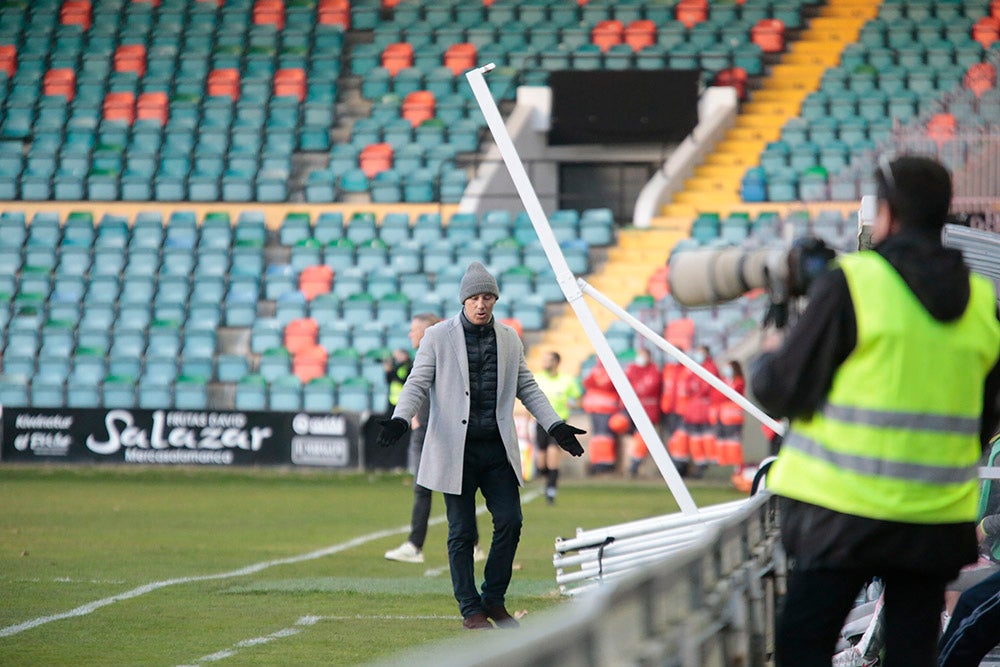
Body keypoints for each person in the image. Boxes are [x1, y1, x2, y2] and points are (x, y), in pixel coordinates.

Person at [750, 155, 1000, 666]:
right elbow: (985, 419)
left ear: (886, 214)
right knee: (911, 653)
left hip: (839, 513)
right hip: (932, 520)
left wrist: (768, 347)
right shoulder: (981, 301)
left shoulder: (855, 282)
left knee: (802, 646)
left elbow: (779, 389)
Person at [376, 262, 586, 630]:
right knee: (462, 531)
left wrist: (555, 426)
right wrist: (399, 417)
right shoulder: (438, 336)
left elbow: (528, 387)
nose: (481, 304)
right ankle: (470, 608)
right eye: (474, 297)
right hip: (454, 450)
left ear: (495, 300)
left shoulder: (509, 339)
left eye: (487, 296)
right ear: (463, 300)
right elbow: (417, 382)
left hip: (496, 450)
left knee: (510, 521)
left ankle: (493, 598)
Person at [383, 314, 485, 565]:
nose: (410, 335)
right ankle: (416, 546)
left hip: (442, 430)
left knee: (457, 489)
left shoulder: (442, 354)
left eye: (414, 329)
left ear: (427, 331)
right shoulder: (425, 356)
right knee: (422, 488)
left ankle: (469, 544)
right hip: (423, 429)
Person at [532, 350, 582, 505]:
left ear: (556, 362)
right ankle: (548, 482)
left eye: (548, 359)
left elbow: (578, 400)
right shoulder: (537, 378)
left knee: (553, 456)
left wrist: (572, 404)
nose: (544, 362)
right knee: (542, 462)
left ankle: (551, 492)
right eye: (544, 359)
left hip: (558, 423)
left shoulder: (567, 381)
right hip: (540, 423)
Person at [624, 348, 662, 477]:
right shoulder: (632, 369)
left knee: (643, 437)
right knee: (631, 434)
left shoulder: (654, 370)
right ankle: (632, 462)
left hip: (648, 410)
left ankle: (634, 464)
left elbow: (650, 387)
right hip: (631, 409)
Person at [581, 359, 621, 474]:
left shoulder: (611, 372)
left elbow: (606, 385)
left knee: (605, 436)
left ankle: (606, 463)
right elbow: (587, 383)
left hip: (606, 408)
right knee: (598, 436)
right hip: (595, 408)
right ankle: (597, 461)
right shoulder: (596, 371)